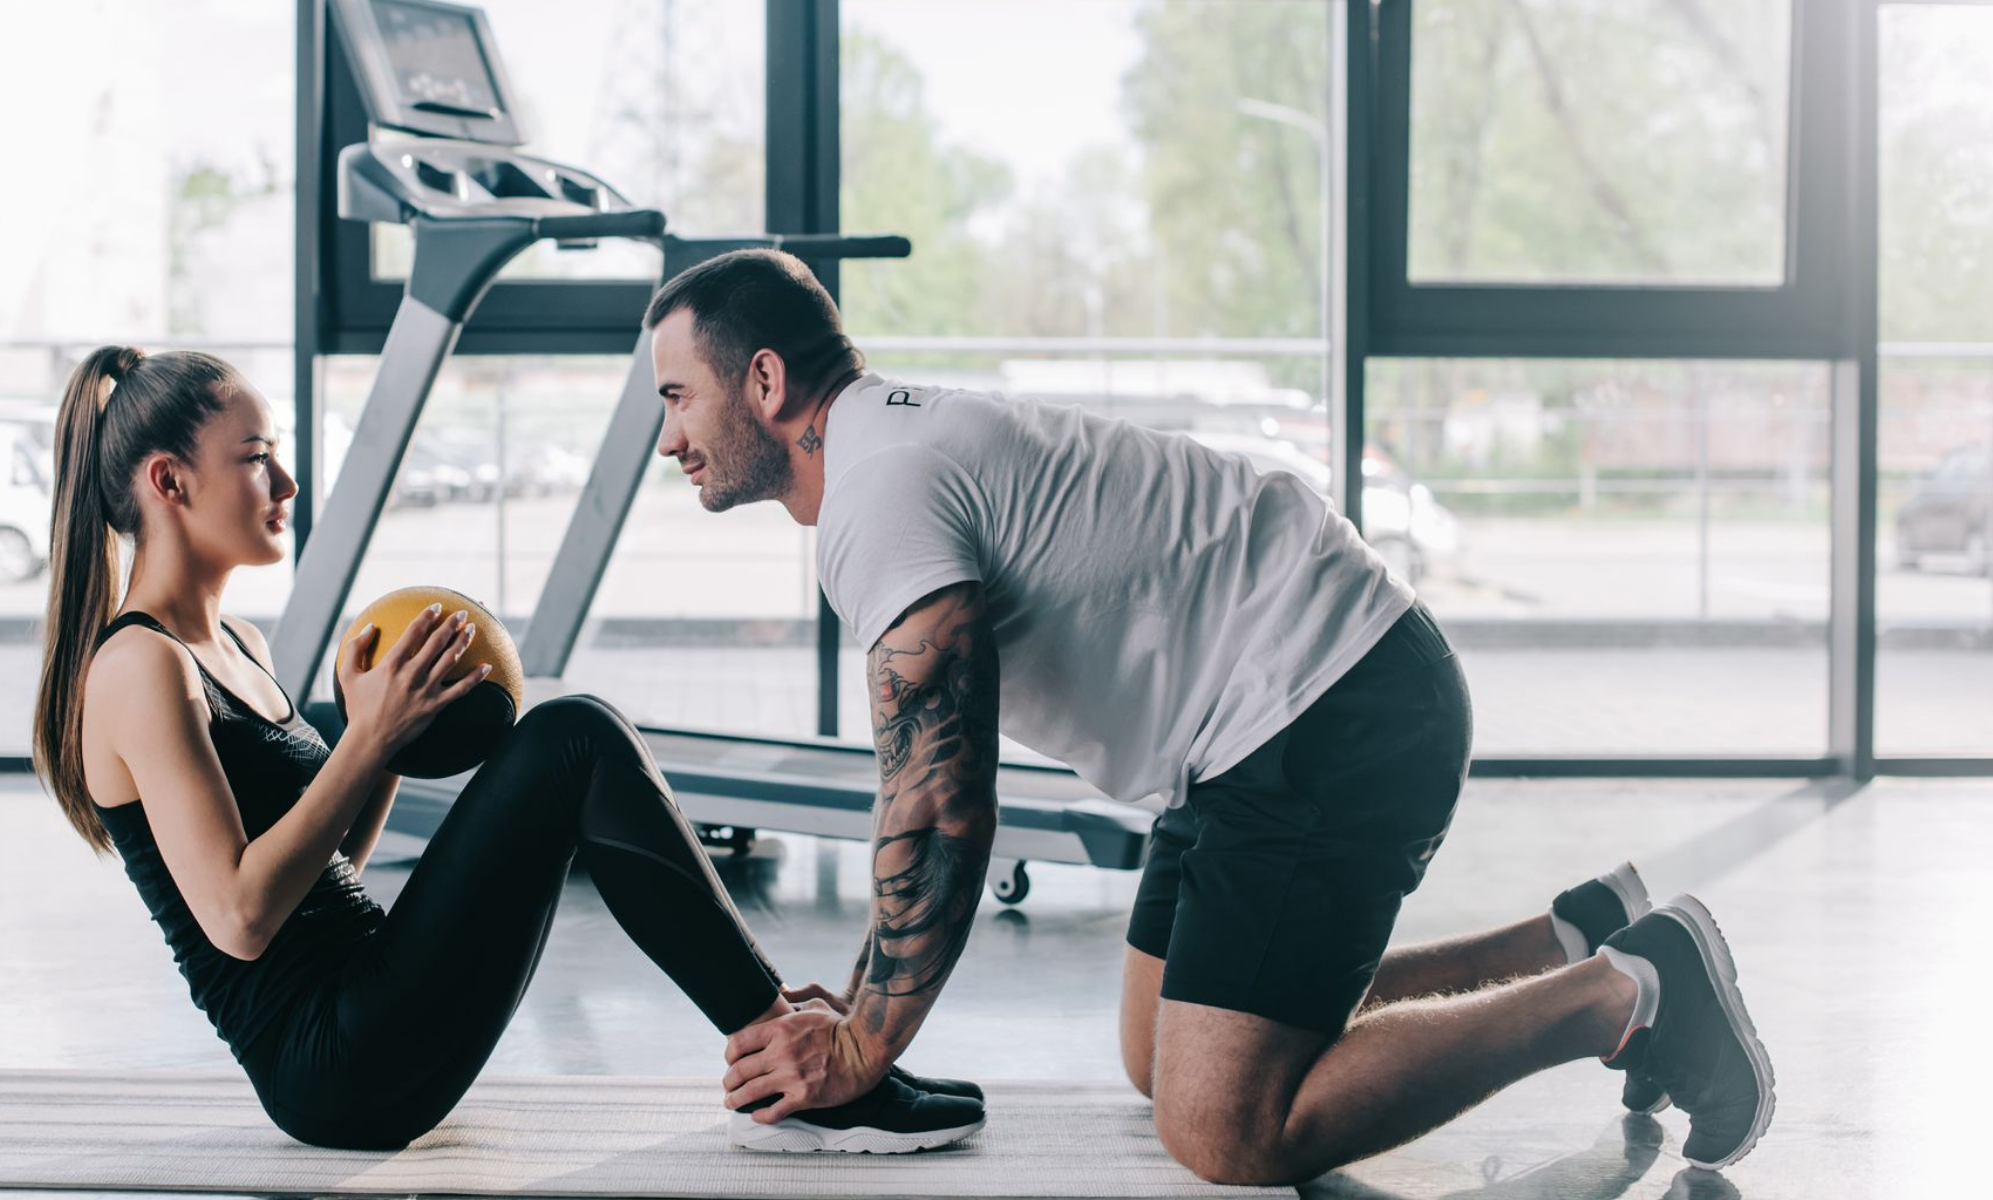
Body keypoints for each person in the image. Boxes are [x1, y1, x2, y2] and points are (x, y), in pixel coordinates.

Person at [646, 250, 1774, 1184]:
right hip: (1256, 725)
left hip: (1326, 705)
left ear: (763, 381)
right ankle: (1564, 939)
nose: (669, 438)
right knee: (1160, 1054)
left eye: (676, 397)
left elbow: (939, 799)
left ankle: (1627, 991)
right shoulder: (888, 449)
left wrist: (864, 1041)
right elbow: (928, 789)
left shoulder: (877, 488)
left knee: (1224, 1128)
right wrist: (856, 1001)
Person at [27, 345, 985, 1153]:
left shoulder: (234, 648)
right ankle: (796, 1059)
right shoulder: (138, 667)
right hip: (329, 1064)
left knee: (577, 738)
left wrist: (392, 743)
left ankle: (784, 1046)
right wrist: (365, 738)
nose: (284, 483)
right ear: (168, 481)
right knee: (576, 737)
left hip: (368, 1004)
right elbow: (238, 919)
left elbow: (325, 877)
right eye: (256, 457)